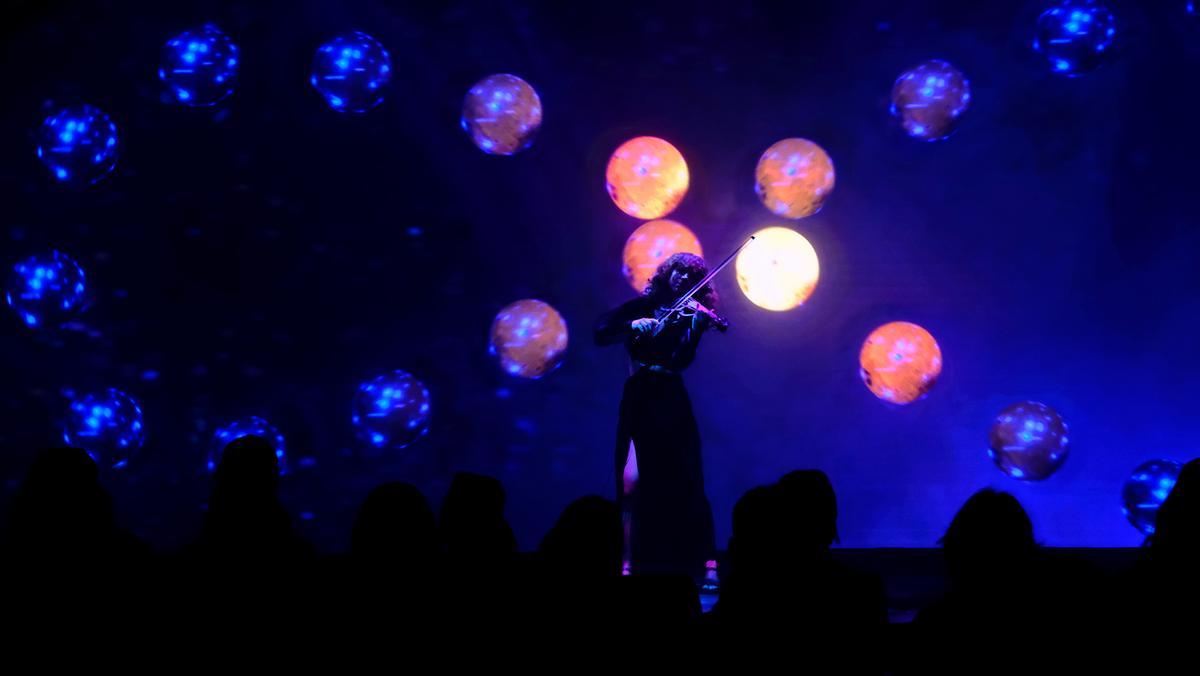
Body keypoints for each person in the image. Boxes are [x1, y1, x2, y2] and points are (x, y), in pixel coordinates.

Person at [594, 252, 721, 579]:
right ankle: (626, 559)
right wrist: (631, 325)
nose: (683, 279)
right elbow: (601, 330)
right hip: (639, 394)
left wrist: (696, 326)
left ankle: (704, 562)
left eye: (691, 277)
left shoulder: (692, 314)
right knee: (630, 477)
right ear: (668, 272)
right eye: (679, 271)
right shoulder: (640, 306)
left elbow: (679, 360)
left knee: (689, 475)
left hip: (670, 394)